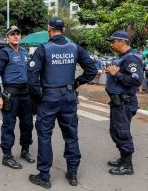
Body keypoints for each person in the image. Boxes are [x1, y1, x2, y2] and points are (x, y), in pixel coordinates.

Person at [28, 17, 97, 188]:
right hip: (68, 97)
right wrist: (76, 83)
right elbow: (92, 70)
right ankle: (72, 174)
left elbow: (32, 77)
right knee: (71, 135)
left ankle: (44, 177)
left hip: (49, 98)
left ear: (48, 29)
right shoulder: (75, 48)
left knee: (44, 136)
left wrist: (38, 97)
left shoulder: (43, 49)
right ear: (64, 30)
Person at [0, 26, 35, 170]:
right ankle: (7, 156)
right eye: (12, 34)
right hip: (11, 94)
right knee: (9, 126)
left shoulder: (24, 52)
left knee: (27, 124)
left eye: (18, 33)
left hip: (26, 95)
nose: (16, 36)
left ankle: (25, 150)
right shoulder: (4, 53)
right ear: (7, 37)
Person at [105, 30, 143, 175]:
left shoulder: (131, 58)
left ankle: (128, 166)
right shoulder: (123, 57)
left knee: (122, 132)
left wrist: (117, 74)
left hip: (124, 103)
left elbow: (137, 79)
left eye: (113, 41)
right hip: (118, 102)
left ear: (122, 42)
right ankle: (123, 159)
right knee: (115, 131)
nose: (112, 44)